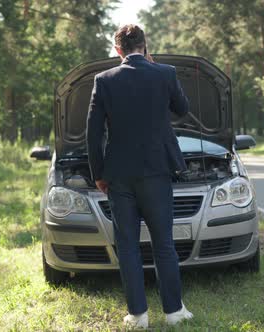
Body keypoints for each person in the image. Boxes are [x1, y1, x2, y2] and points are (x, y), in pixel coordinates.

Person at [86, 24, 194, 328]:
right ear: (145, 46)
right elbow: (182, 109)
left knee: (129, 246)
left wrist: (98, 174)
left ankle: (138, 316)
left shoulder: (103, 80)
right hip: (157, 171)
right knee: (164, 244)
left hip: (118, 176)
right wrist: (158, 72)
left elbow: (93, 134)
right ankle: (174, 313)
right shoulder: (165, 73)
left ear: (117, 50)